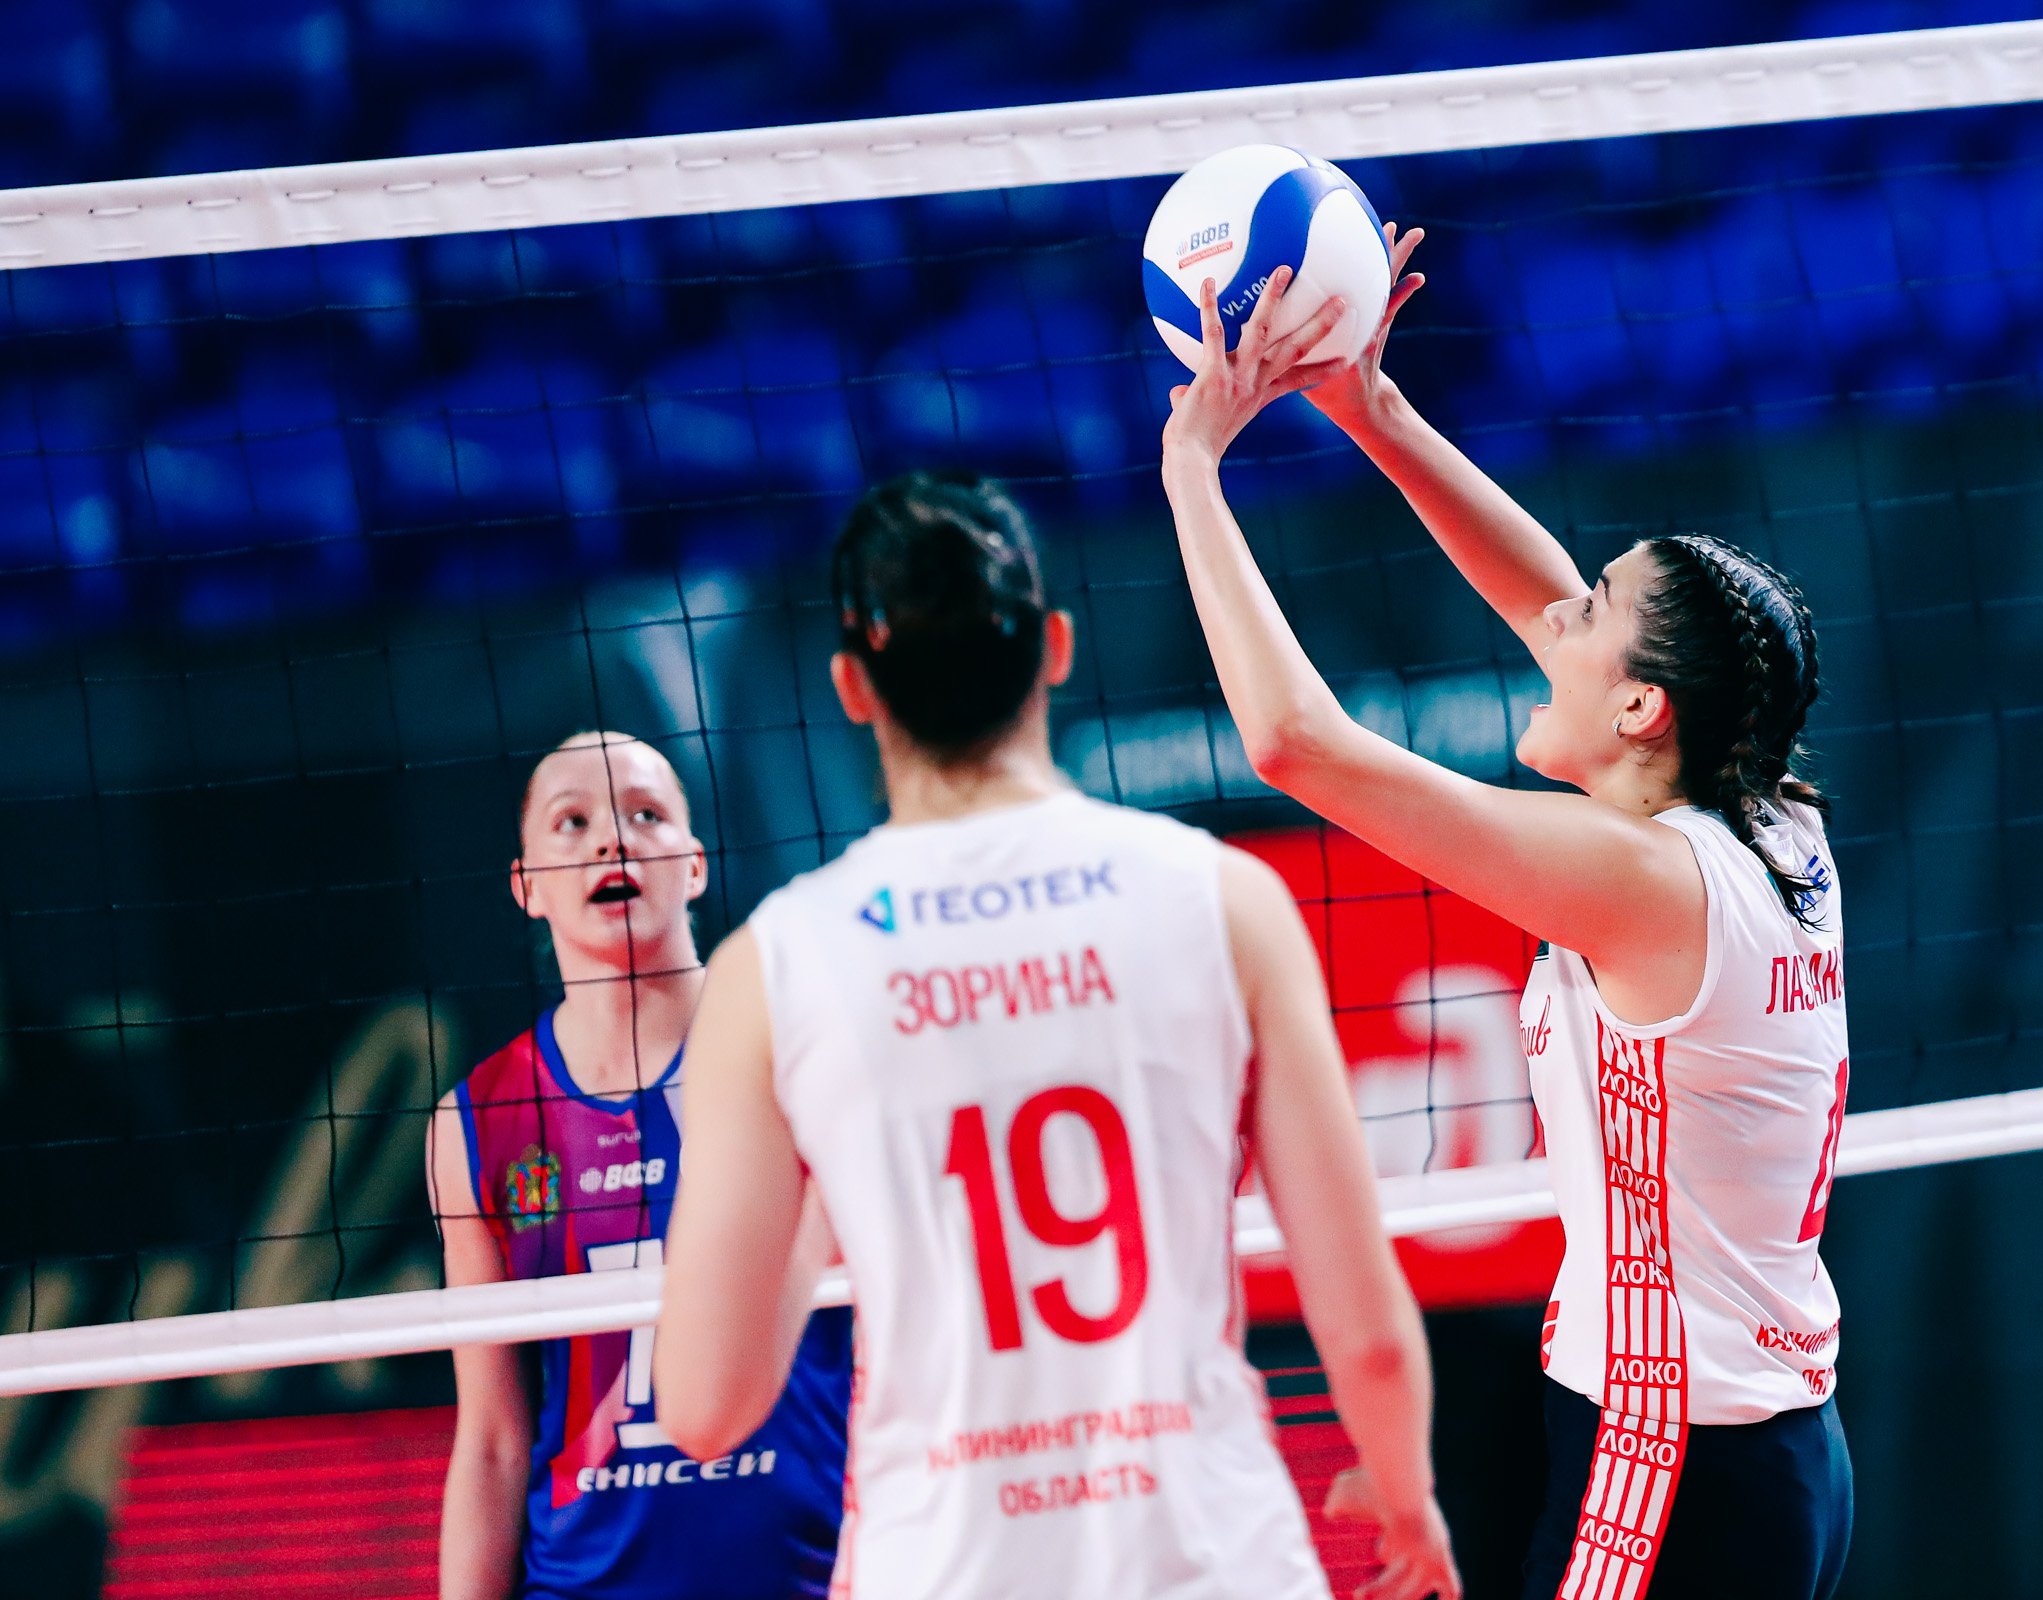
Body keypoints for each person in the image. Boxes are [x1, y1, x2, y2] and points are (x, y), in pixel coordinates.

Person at [1156, 244, 1853, 1600]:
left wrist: (1192, 466)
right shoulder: (1774, 820)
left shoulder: (1640, 880)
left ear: (1643, 708)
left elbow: (1295, 744)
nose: (1552, 622)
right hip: (1775, 1453)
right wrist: (1372, 408)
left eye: (1591, 618)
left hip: (1668, 1458)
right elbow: (1539, 590)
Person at [650, 471, 1461, 1600]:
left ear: (850, 688)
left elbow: (704, 1406)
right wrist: (1405, 1496)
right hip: (1213, 1560)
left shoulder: (777, 963)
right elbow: (1364, 1326)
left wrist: (824, 1179)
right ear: (1057, 647)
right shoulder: (1222, 897)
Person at [426, 731, 850, 1600]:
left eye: (646, 815)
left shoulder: (802, 1062)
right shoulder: (480, 1120)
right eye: (572, 822)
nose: (612, 840)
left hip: (813, 1574)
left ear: (694, 866)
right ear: (527, 887)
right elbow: (494, 1440)